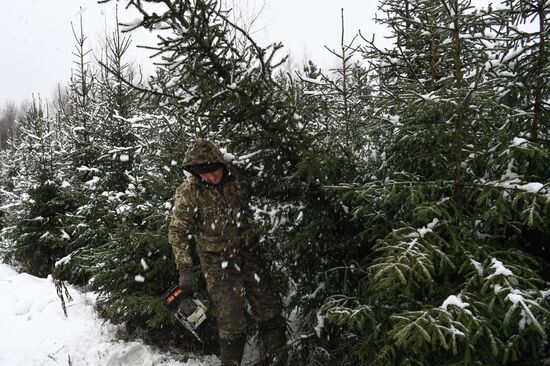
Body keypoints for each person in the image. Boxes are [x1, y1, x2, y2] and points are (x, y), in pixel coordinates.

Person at [168, 139, 286, 366]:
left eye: (213, 171)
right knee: (230, 320)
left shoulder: (240, 177)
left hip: (248, 253)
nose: (210, 177)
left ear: (221, 163)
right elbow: (177, 231)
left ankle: (278, 359)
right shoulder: (189, 192)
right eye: (203, 174)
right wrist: (185, 268)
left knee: (268, 308)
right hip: (216, 262)